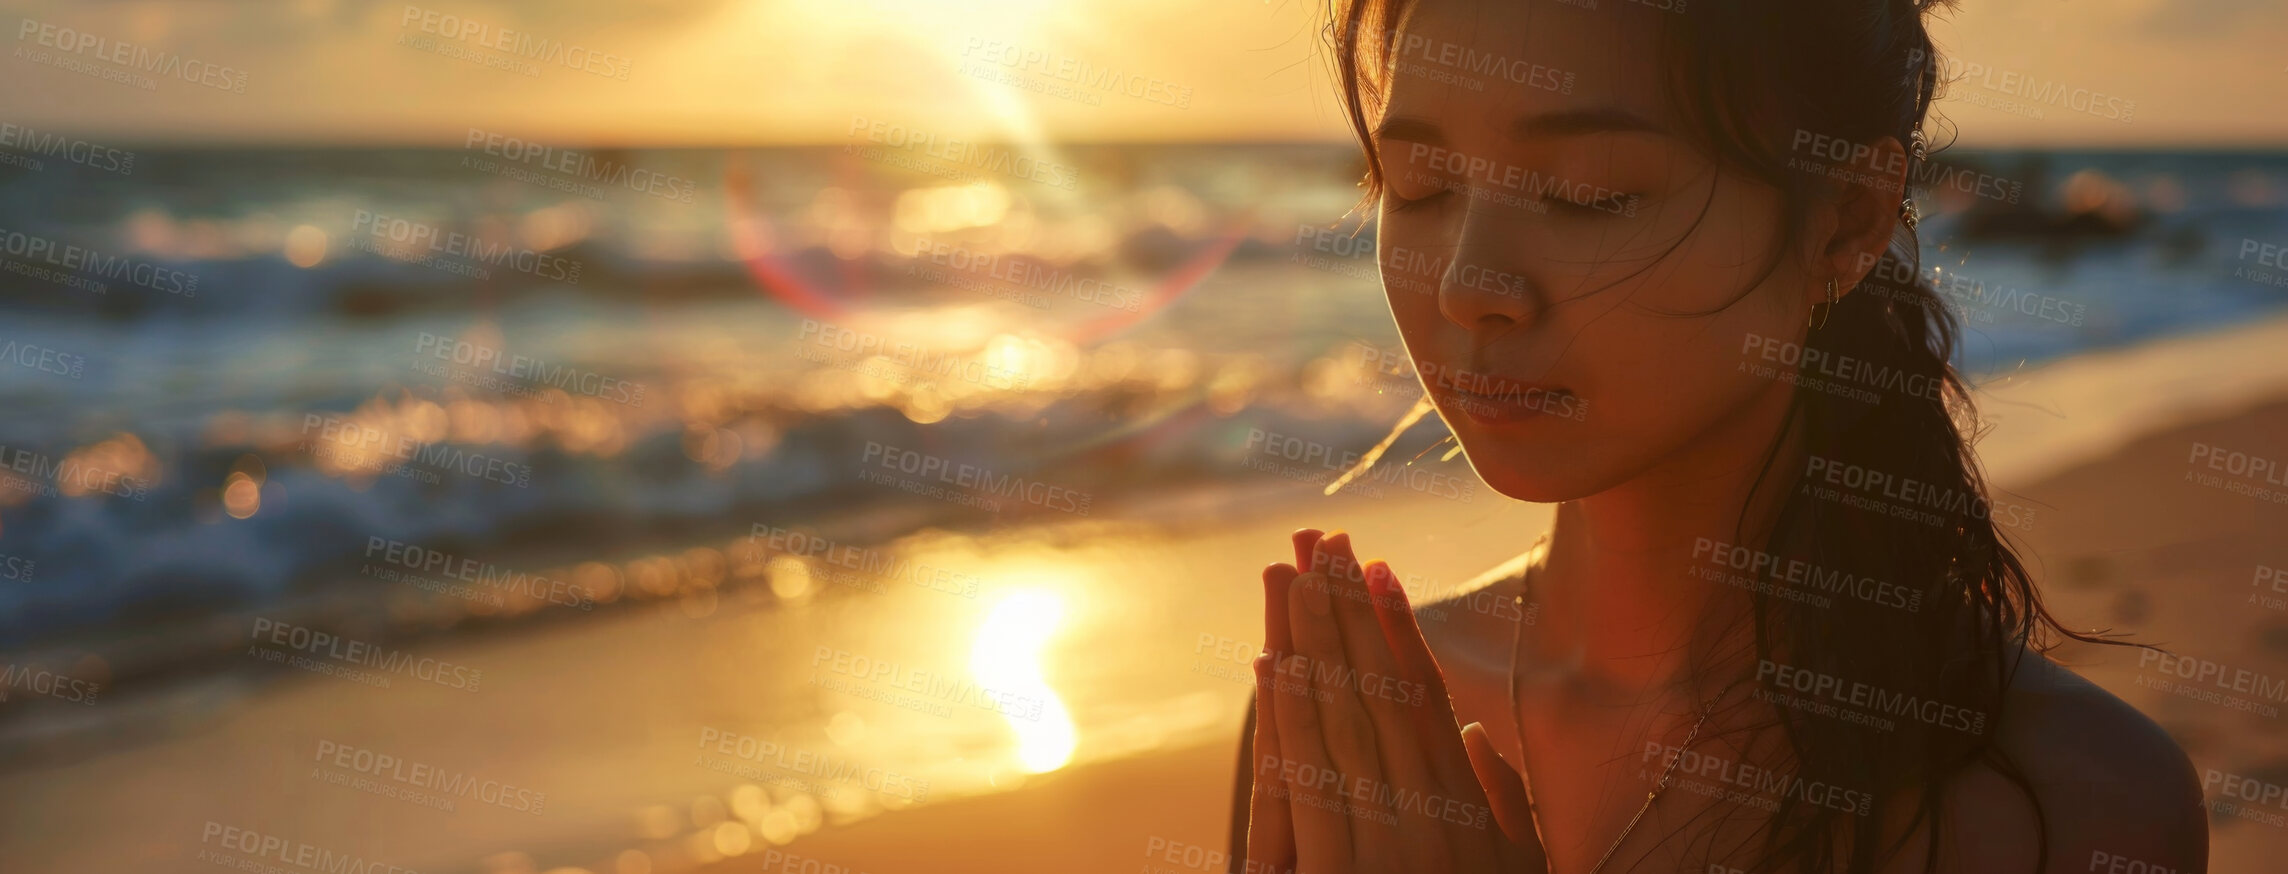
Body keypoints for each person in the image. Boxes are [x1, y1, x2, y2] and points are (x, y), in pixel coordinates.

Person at [1227, 0, 2209, 871]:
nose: (1467, 283)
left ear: (1843, 224)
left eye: (1587, 192)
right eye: (1419, 187)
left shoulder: (2079, 802)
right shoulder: (1356, 727)